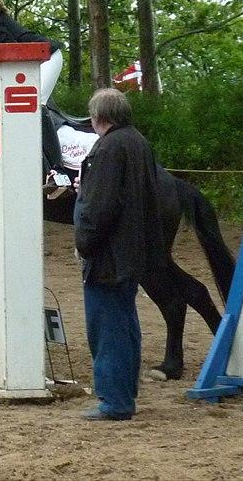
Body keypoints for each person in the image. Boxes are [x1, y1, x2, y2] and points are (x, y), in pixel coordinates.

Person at [73, 88, 165, 421]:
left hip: (108, 256)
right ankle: (125, 392)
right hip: (133, 251)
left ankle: (115, 400)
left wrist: (84, 240)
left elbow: (100, 207)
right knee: (125, 324)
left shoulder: (108, 148)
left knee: (107, 328)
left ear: (98, 116)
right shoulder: (138, 141)